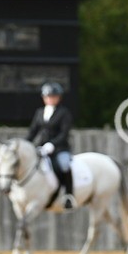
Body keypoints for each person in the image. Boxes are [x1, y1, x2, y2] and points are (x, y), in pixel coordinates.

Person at [27, 81, 76, 209]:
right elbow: (33, 131)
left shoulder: (64, 113)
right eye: (48, 96)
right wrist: (26, 144)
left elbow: (64, 133)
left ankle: (69, 195)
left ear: (58, 98)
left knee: (64, 165)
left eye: (53, 96)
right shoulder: (39, 112)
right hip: (42, 148)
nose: (50, 99)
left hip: (59, 148)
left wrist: (52, 144)